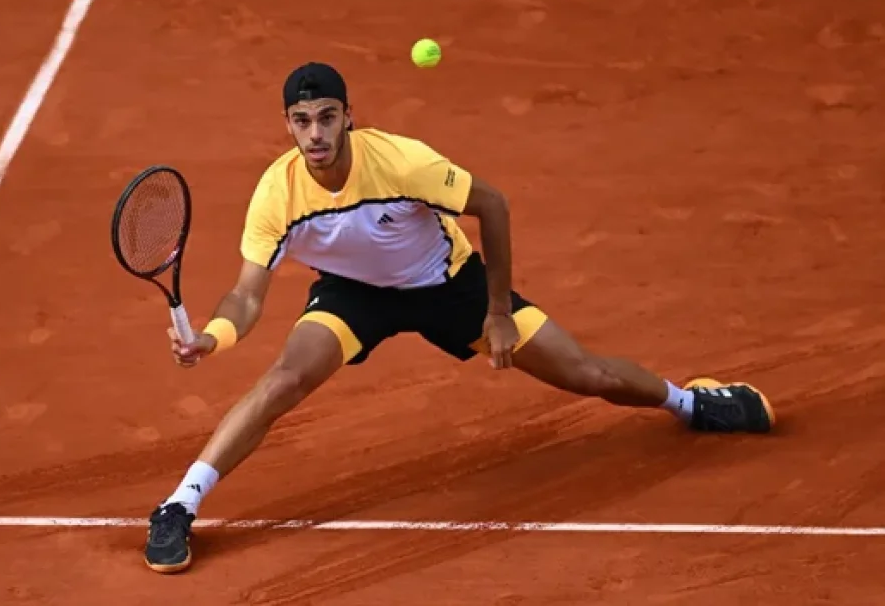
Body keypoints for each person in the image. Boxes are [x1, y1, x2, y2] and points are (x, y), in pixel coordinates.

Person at [143, 62, 775, 573]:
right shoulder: (276, 195)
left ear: (348, 117)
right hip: (354, 294)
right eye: (303, 121)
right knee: (284, 378)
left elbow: (492, 205)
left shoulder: (401, 161)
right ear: (287, 124)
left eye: (327, 118)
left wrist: (497, 311)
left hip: (449, 284)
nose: (316, 134)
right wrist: (212, 337)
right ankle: (179, 506)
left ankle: (691, 404)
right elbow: (248, 295)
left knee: (587, 375)